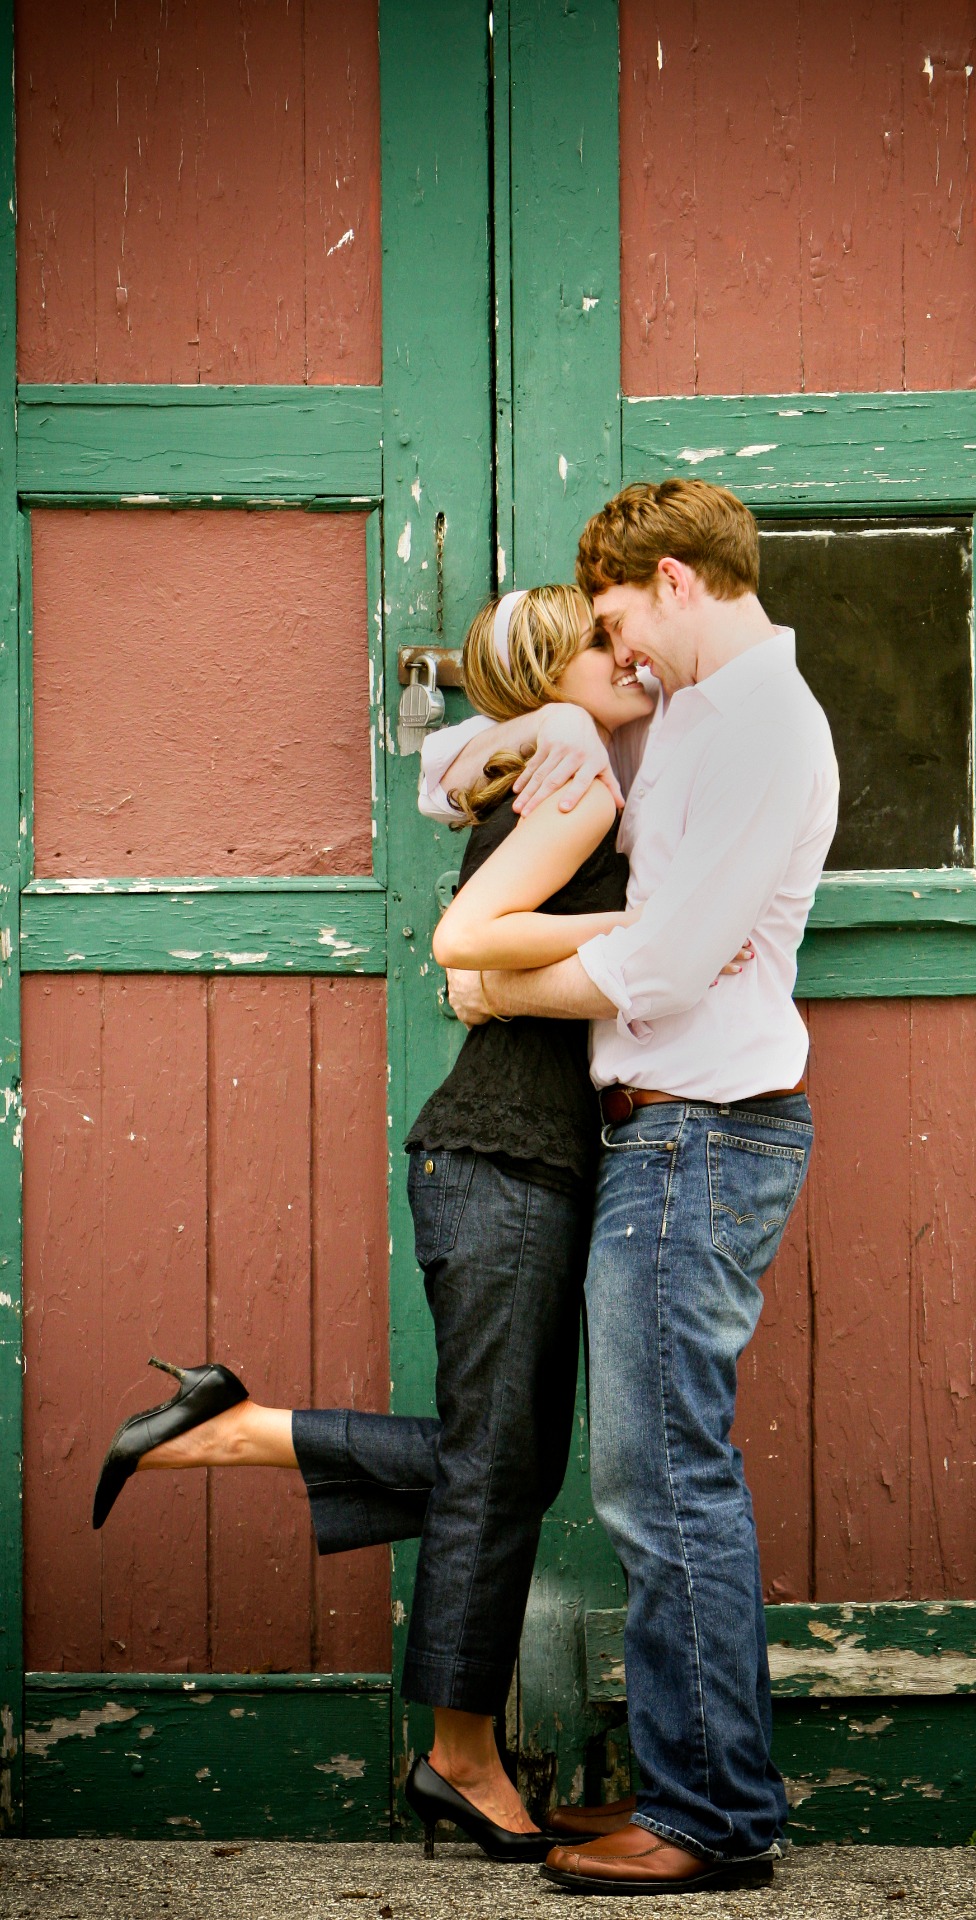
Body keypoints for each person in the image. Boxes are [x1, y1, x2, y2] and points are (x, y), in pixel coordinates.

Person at [90, 583, 659, 1863]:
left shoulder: (561, 756)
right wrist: (653, 926)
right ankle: (459, 1759)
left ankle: (237, 1428)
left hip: (519, 1162)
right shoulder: (573, 770)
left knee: (506, 1465)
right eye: (598, 644)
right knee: (497, 1468)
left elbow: (484, 934)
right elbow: (470, 950)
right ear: (552, 675)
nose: (628, 655)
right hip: (502, 1156)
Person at [420, 477, 839, 1895]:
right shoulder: (693, 715)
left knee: (665, 1488)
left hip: (703, 1132)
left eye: (613, 621)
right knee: (652, 1482)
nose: (618, 654)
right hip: (664, 1138)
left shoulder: (763, 726)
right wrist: (532, 726)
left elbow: (659, 965)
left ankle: (710, 1817)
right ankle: (695, 1786)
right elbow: (442, 762)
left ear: (670, 579)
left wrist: (492, 986)